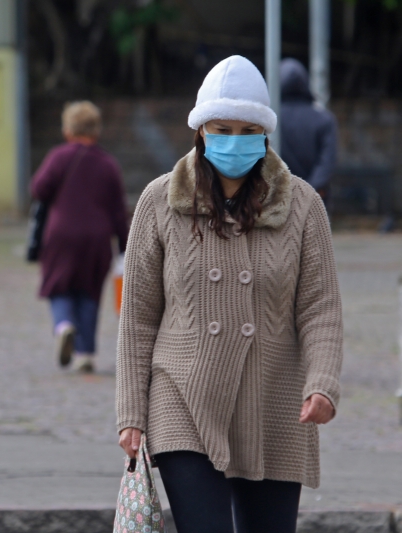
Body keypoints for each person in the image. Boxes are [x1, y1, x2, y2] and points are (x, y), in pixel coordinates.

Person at [116, 56, 343, 533]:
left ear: (266, 134)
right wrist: (131, 412)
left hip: (276, 401)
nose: (234, 140)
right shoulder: (159, 202)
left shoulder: (303, 206)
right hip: (182, 395)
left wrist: (321, 382)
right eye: (222, 127)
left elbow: (320, 309)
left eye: (248, 129)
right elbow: (137, 318)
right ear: (200, 131)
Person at [30, 101, 129, 374]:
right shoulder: (108, 164)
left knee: (59, 286)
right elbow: (118, 211)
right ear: (96, 130)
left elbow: (38, 188)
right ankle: (85, 354)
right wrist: (124, 246)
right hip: (97, 240)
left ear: (68, 129)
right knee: (89, 292)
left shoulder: (59, 157)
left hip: (60, 234)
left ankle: (64, 326)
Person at [280, 58, 338, 205]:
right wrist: (310, 191)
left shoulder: (269, 118)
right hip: (315, 199)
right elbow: (327, 162)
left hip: (277, 198)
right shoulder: (324, 119)